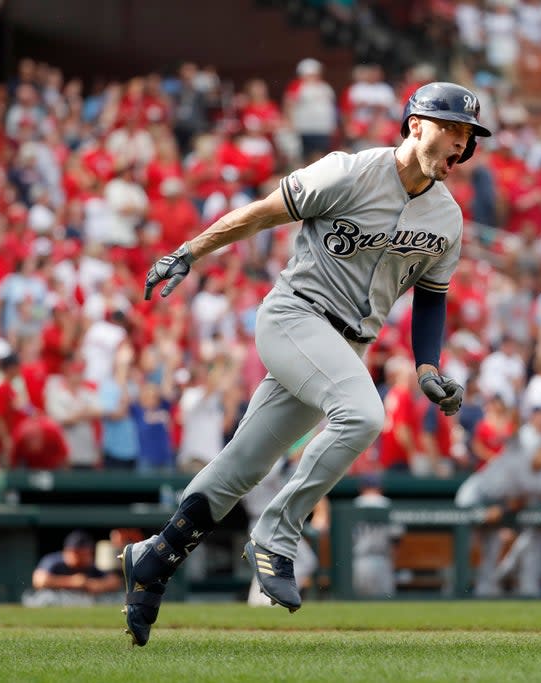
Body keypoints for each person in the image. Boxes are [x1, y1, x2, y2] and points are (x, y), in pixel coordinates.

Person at [119, 82, 490, 646]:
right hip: (295, 316)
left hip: (344, 347)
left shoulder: (448, 218)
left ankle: (153, 559)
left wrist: (427, 368)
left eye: (467, 135)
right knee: (364, 416)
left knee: (241, 467)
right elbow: (263, 213)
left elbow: (432, 297)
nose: (459, 144)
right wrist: (189, 251)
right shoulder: (348, 172)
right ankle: (277, 534)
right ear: (415, 124)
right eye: (451, 129)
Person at [455, 405, 541, 597]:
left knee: (492, 548)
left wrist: (502, 510)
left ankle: (484, 594)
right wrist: (513, 409)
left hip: (497, 504)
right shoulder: (520, 450)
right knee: (465, 546)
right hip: (475, 495)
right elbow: (514, 427)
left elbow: (532, 500)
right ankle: (453, 592)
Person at [352, 473, 402, 598]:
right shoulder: (387, 504)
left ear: (362, 488)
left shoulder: (355, 504)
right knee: (386, 604)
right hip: (383, 560)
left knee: (358, 603)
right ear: (380, 488)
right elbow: (397, 537)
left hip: (359, 560)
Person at [32, 530, 121, 595]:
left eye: (86, 553)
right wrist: (71, 582)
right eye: (78, 553)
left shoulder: (91, 564)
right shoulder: (54, 561)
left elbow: (115, 581)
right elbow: (39, 580)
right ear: (68, 551)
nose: (83, 557)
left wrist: (98, 584)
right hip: (55, 601)